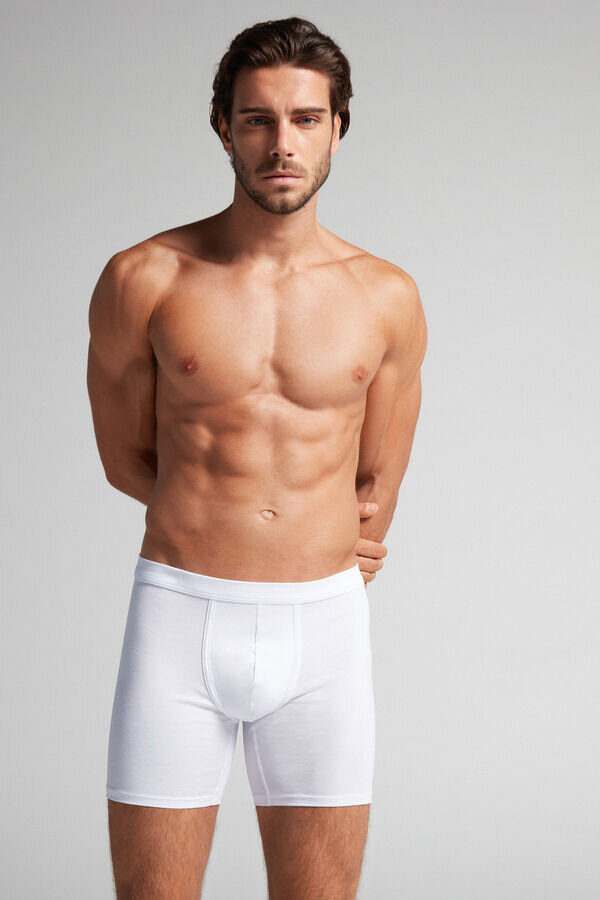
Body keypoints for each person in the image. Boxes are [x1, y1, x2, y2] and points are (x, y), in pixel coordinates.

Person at [86, 15, 427, 900]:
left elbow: (378, 481)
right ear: (224, 128)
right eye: (258, 120)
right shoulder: (144, 278)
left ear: (338, 128)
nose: (283, 144)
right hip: (179, 616)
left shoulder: (386, 297)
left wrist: (329, 539)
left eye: (306, 119)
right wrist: (222, 518)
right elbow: (123, 455)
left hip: (323, 633)